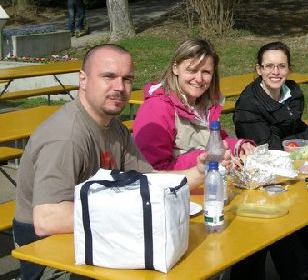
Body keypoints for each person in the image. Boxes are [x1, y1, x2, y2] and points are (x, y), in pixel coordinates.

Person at [13, 44, 209, 280]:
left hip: (94, 235)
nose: (120, 87)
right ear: (83, 80)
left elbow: (148, 178)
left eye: (127, 79)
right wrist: (130, 212)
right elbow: (47, 219)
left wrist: (197, 173)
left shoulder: (112, 125)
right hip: (48, 251)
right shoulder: (66, 138)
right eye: (109, 77)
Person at [233, 41, 308, 274]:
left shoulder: (292, 93)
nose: (276, 72)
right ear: (259, 69)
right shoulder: (248, 105)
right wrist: (306, 140)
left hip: (291, 167)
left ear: (289, 69)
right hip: (263, 177)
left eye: (281, 66)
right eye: (269, 66)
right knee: (293, 208)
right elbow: (269, 146)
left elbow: (295, 129)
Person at [133, 38, 255, 170]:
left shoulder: (205, 105)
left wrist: (239, 147)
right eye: (191, 70)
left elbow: (216, 140)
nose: (199, 79)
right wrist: (206, 158)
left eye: (206, 72)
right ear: (175, 68)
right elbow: (155, 170)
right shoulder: (157, 108)